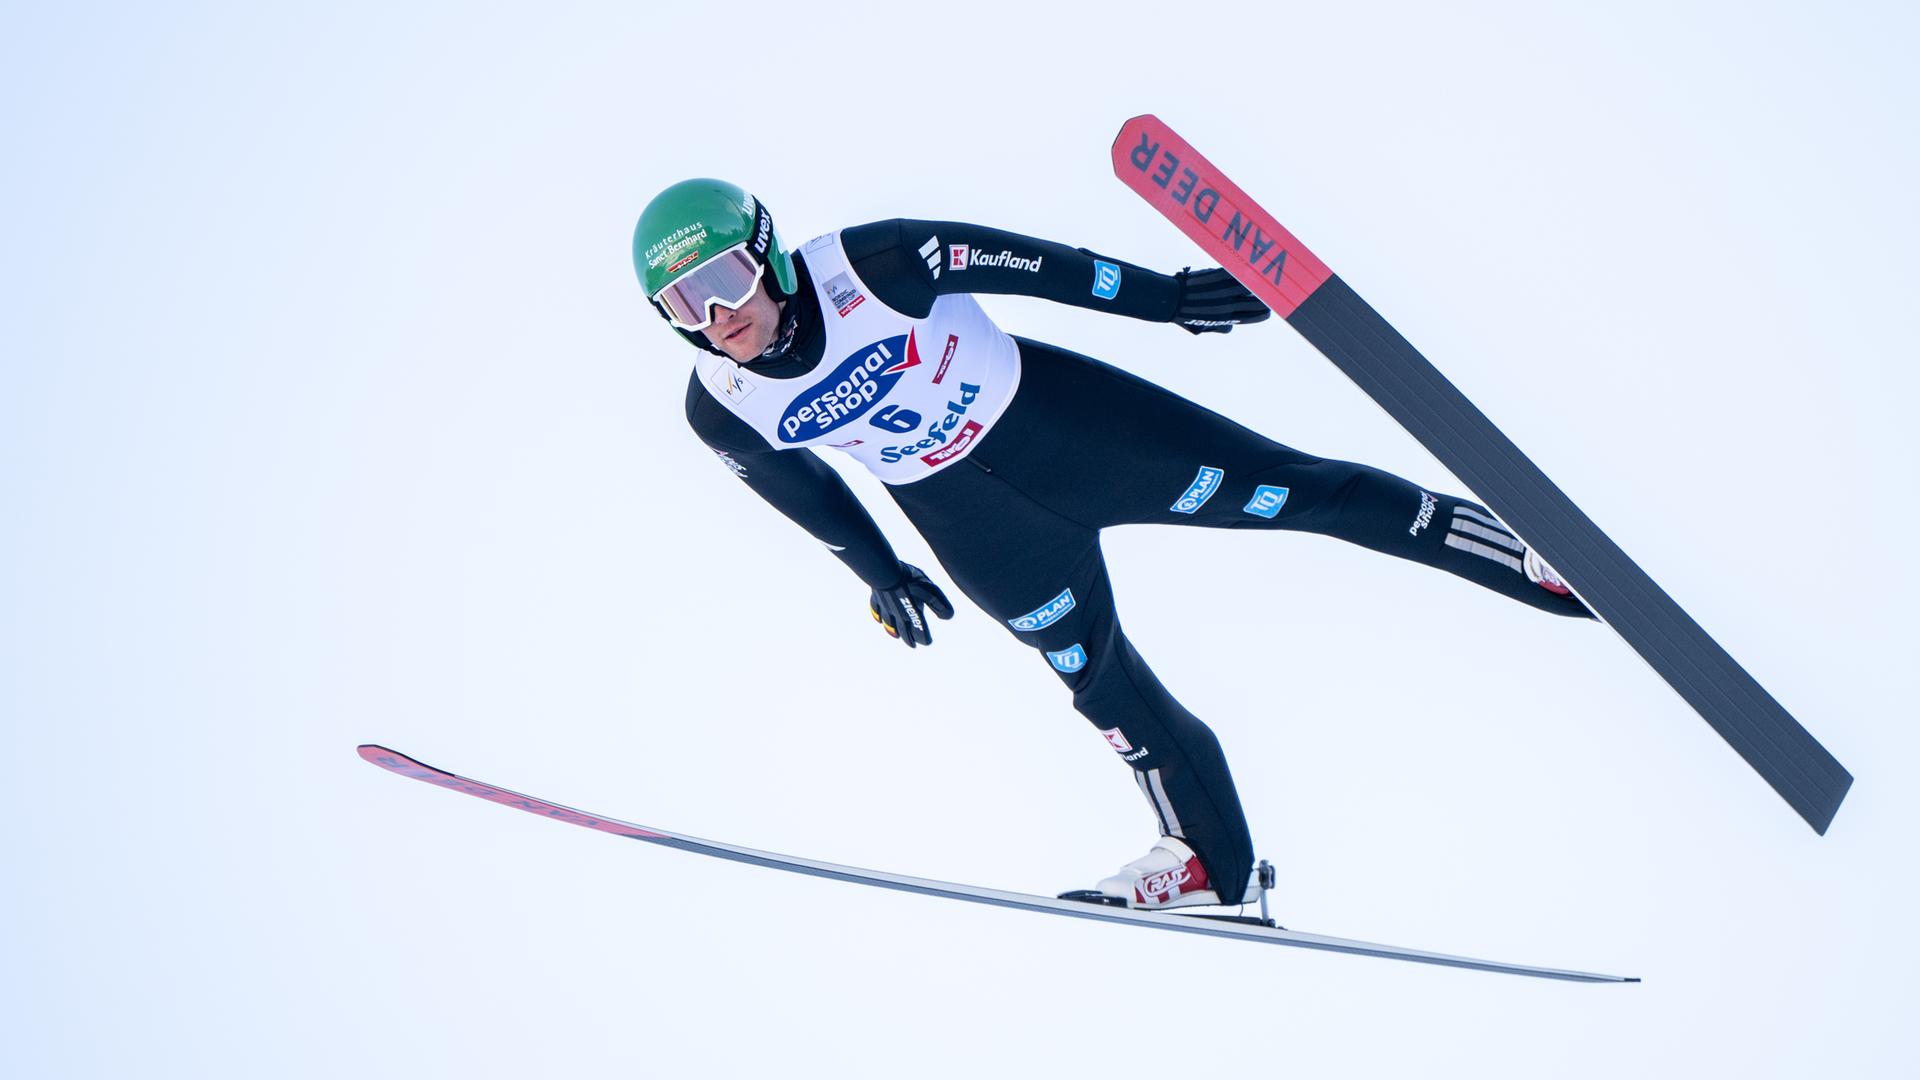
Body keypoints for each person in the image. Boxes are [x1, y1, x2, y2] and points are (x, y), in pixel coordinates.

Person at [634, 178, 1590, 910]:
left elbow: (1042, 267)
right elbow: (800, 487)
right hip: (981, 531)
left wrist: (1167, 300)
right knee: (1101, 685)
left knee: (1299, 494)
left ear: (766, 255)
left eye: (722, 281)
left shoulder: (874, 263)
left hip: (1072, 434)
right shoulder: (721, 405)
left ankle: (1522, 554)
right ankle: (1209, 858)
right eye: (684, 305)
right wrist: (879, 571)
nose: (718, 318)